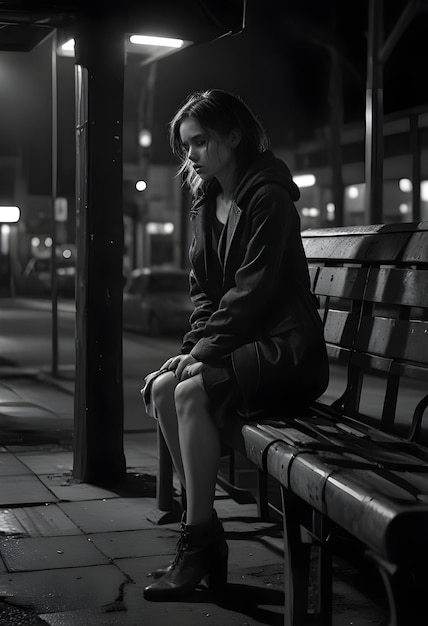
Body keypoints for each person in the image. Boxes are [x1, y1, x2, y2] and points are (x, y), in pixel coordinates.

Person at [143, 88, 329, 601]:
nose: (191, 155)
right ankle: (202, 531)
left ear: (234, 135)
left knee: (187, 393)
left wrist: (202, 355)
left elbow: (253, 290)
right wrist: (190, 350)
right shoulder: (206, 204)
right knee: (165, 388)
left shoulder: (268, 197)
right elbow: (205, 294)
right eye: (185, 146)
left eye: (200, 141)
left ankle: (198, 540)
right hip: (245, 346)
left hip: (286, 352)